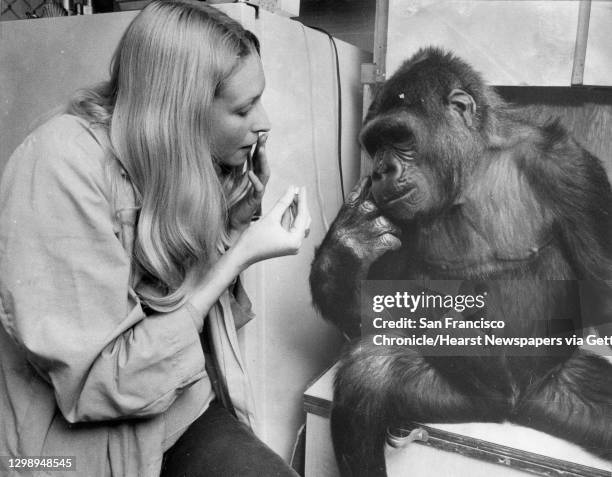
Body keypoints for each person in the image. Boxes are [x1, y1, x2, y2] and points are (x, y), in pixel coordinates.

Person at [0, 1, 311, 476]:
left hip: (177, 410)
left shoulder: (173, 154)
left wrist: (234, 222)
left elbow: (175, 298)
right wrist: (239, 255)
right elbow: (98, 384)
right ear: (180, 109)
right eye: (244, 108)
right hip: (75, 451)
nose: (263, 121)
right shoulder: (59, 165)